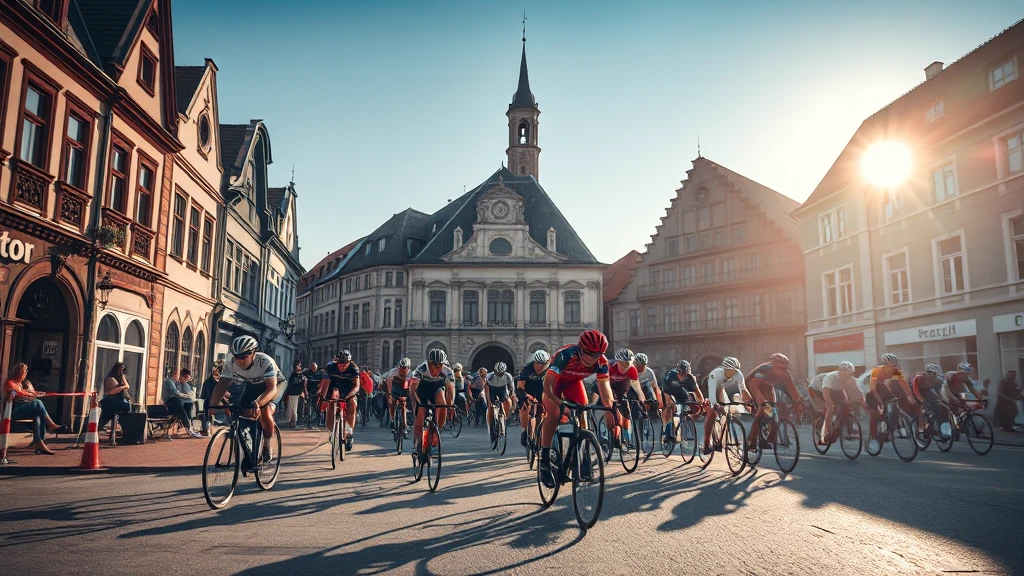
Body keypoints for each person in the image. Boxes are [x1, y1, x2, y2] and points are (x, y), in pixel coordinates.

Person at [539, 330, 612, 489]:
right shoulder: (566, 355)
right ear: (581, 349)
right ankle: (544, 459)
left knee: (584, 409)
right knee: (555, 414)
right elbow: (548, 386)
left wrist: (611, 408)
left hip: (573, 383)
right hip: (554, 384)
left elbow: (605, 387)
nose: (595, 358)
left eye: (599, 354)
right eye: (591, 354)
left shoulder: (601, 362)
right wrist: (559, 402)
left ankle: (583, 455)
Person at [210, 335, 281, 463]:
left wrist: (258, 403)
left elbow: (272, 389)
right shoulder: (231, 361)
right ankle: (250, 450)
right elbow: (222, 384)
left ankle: (267, 446)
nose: (239, 361)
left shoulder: (265, 361)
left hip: (274, 386)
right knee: (244, 413)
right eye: (237, 357)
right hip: (253, 385)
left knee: (265, 413)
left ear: (253, 353)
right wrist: (212, 406)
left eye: (243, 357)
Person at [744, 353, 802, 451]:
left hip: (768, 388)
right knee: (762, 409)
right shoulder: (762, 370)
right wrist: (763, 402)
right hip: (750, 387)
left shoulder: (786, 373)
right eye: (779, 368)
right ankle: (752, 440)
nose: (781, 371)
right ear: (773, 366)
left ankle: (770, 436)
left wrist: (797, 405)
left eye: (784, 369)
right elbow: (754, 388)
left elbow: (793, 390)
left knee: (774, 412)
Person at [4, 363, 64, 454]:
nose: (25, 375)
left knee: (38, 414)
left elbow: (25, 391)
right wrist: (32, 394)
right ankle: (51, 425)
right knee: (38, 403)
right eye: (24, 373)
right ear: (18, 373)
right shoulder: (10, 383)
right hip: (14, 410)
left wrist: (37, 393)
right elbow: (19, 393)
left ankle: (39, 442)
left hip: (23, 407)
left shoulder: (20, 383)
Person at [409, 349, 454, 455]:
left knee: (442, 401)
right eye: (434, 365)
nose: (437, 368)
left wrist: (450, 405)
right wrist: (415, 403)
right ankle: (417, 443)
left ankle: (436, 434)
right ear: (429, 362)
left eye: (440, 365)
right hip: (422, 391)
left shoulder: (448, 371)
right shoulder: (421, 369)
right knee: (420, 418)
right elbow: (412, 389)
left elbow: (451, 390)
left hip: (437, 389)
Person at [866, 354, 915, 443]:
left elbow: (903, 383)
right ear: (885, 364)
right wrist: (879, 402)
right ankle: (873, 437)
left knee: (894, 403)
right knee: (875, 413)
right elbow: (873, 389)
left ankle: (889, 427)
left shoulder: (896, 371)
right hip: (869, 388)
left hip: (881, 386)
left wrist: (909, 395)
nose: (893, 368)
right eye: (891, 366)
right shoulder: (877, 371)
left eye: (895, 366)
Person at [702, 357, 747, 455]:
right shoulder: (716, 374)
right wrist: (716, 406)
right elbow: (712, 397)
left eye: (736, 371)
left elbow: (743, 390)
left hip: (720, 389)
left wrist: (749, 402)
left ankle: (720, 439)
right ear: (725, 369)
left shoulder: (738, 374)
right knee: (712, 414)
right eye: (732, 371)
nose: (734, 373)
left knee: (726, 410)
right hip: (707, 388)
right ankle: (706, 445)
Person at [318, 350, 360, 451]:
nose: (342, 366)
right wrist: (323, 398)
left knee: (351, 405)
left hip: (348, 387)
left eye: (345, 364)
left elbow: (357, 386)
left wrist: (349, 397)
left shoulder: (354, 368)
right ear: (337, 361)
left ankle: (349, 433)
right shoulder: (331, 366)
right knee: (330, 405)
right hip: (334, 385)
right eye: (340, 364)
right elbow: (325, 383)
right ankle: (332, 432)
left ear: (349, 362)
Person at [605, 348, 646, 447]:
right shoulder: (609, 366)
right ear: (618, 361)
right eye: (624, 364)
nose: (626, 367)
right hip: (608, 385)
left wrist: (642, 400)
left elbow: (637, 387)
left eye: (628, 363)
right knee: (612, 408)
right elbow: (604, 385)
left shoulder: (632, 369)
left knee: (625, 408)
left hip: (621, 386)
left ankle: (626, 438)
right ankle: (610, 432)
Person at [819, 362, 864, 444]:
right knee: (830, 408)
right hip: (828, 391)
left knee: (846, 408)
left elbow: (857, 392)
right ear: (840, 372)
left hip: (839, 391)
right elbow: (825, 390)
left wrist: (861, 400)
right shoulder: (830, 377)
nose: (846, 377)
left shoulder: (851, 379)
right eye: (845, 374)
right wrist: (829, 402)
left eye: (848, 375)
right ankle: (827, 431)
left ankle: (845, 427)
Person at [516, 349, 549, 447]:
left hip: (543, 390)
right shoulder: (527, 369)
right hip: (529, 390)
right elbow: (520, 387)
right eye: (539, 364)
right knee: (525, 407)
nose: (542, 367)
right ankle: (524, 431)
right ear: (535, 362)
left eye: (544, 364)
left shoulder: (551, 368)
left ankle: (539, 433)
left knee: (544, 412)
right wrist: (526, 397)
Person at [661, 360, 701, 439]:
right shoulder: (670, 375)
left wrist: (701, 403)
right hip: (668, 392)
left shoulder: (690, 378)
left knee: (689, 403)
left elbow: (698, 393)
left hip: (681, 392)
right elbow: (665, 392)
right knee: (669, 406)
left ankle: (684, 421)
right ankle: (667, 432)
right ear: (677, 371)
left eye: (685, 374)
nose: (683, 376)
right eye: (681, 374)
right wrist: (670, 402)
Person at [162, 368, 202, 438]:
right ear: (175, 374)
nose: (179, 377)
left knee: (188, 404)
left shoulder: (173, 382)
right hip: (169, 402)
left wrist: (187, 397)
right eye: (178, 375)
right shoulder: (169, 381)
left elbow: (179, 393)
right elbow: (176, 393)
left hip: (173, 401)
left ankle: (188, 426)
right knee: (181, 405)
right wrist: (187, 396)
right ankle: (188, 426)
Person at [99, 362, 132, 432]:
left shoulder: (120, 378)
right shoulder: (111, 379)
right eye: (120, 371)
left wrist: (122, 376)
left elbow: (127, 387)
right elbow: (113, 391)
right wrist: (123, 386)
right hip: (110, 403)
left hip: (117, 402)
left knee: (129, 410)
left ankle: (125, 429)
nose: (121, 373)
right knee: (104, 419)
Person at [383, 358, 412, 438]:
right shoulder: (393, 372)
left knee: (403, 406)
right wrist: (389, 395)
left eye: (404, 369)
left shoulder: (411, 374)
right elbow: (389, 385)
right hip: (395, 386)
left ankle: (404, 426)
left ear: (408, 368)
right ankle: (392, 420)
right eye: (400, 369)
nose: (402, 371)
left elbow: (411, 387)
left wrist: (410, 396)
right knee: (392, 403)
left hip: (404, 388)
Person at [485, 362, 515, 442]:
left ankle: (504, 418)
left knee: (507, 401)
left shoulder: (508, 376)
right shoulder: (489, 376)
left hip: (502, 388)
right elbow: (486, 389)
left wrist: (512, 403)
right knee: (490, 407)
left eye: (500, 374)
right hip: (492, 389)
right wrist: (489, 402)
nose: (498, 375)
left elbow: (511, 390)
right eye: (497, 373)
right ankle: (491, 428)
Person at [283, 361, 306, 428]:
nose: (299, 367)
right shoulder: (297, 374)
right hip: (293, 392)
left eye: (299, 365)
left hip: (295, 393)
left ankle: (293, 423)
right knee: (291, 408)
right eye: (298, 365)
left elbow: (297, 384)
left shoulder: (298, 375)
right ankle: (290, 422)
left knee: (293, 408)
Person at [199, 367, 221, 432]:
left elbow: (203, 394)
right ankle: (208, 427)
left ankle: (206, 428)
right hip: (215, 402)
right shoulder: (217, 383)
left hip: (208, 401)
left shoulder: (207, 381)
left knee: (206, 413)